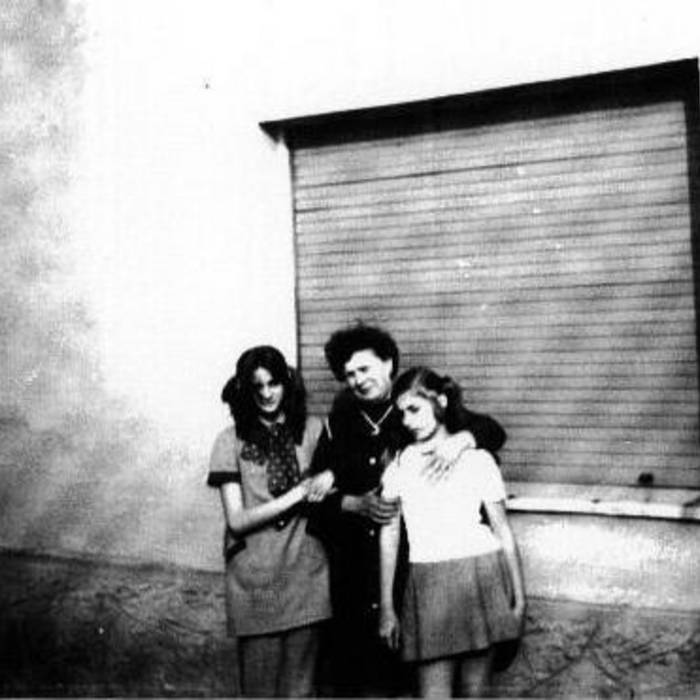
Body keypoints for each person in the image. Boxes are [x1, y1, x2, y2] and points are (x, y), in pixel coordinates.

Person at [308, 324, 507, 697]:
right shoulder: (338, 423)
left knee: (418, 681)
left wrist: (464, 439)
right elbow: (314, 500)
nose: (358, 380)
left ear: (388, 363)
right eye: (349, 374)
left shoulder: (411, 410)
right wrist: (351, 502)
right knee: (363, 682)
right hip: (357, 575)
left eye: (364, 369)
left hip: (410, 574)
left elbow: (491, 430)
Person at [379, 366, 525, 697]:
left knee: (475, 692)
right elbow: (389, 536)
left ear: (441, 402)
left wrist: (520, 600)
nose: (408, 421)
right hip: (428, 581)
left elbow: (502, 530)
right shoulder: (400, 464)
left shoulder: (478, 459)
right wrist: (387, 607)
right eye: (402, 414)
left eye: (415, 409)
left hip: (481, 575)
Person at [207, 345, 334, 697]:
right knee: (260, 690)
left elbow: (344, 477)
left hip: (307, 572)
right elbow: (237, 520)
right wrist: (297, 494)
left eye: (273, 383)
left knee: (300, 691)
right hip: (257, 578)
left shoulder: (314, 430)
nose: (266, 393)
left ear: (287, 383)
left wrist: (331, 476)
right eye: (257, 386)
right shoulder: (229, 440)